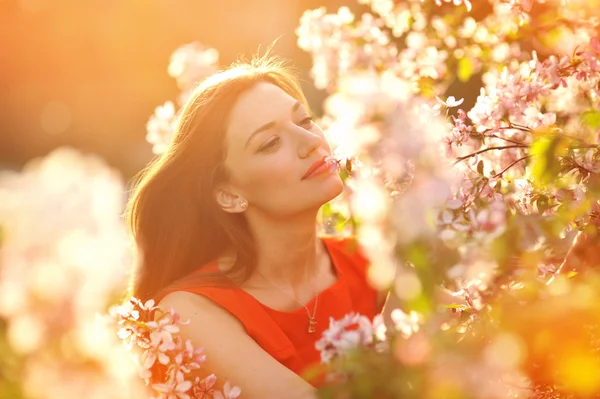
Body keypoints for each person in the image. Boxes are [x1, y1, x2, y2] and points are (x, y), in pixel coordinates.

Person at [125, 55, 459, 399]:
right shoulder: (187, 312)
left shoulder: (374, 261)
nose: (310, 141)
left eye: (305, 120)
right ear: (228, 194)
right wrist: (399, 328)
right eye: (270, 143)